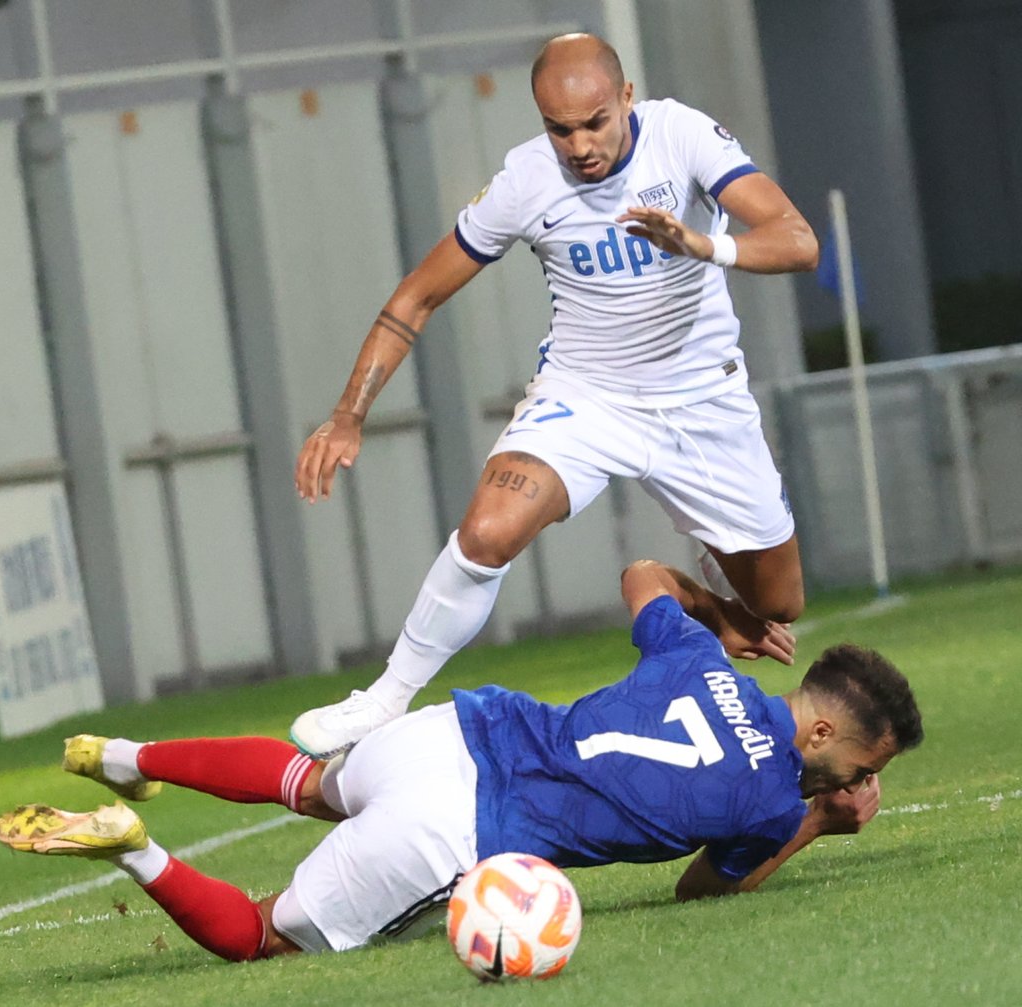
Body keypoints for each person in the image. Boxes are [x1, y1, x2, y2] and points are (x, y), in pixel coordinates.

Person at [290, 32, 819, 760]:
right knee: (488, 531)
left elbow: (797, 240)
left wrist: (703, 245)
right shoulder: (526, 181)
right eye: (559, 128)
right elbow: (416, 296)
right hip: (587, 396)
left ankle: (702, 579)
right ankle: (383, 698)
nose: (579, 145)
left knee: (777, 607)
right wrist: (349, 413)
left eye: (595, 121)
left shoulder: (683, 135)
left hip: (702, 400)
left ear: (627, 97)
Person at [0, 560, 922, 963]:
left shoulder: (696, 657)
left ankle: (122, 752)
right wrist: (815, 827)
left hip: (453, 730)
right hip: (461, 828)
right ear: (819, 737)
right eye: (857, 769)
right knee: (258, 935)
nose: (853, 786)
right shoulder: (771, 801)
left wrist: (715, 609)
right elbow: (702, 893)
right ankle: (129, 845)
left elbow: (642, 570)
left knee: (305, 781)